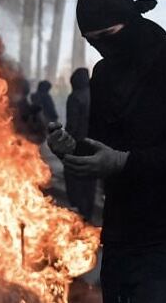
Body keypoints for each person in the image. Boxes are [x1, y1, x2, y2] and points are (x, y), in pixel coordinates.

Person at [47, 0, 166, 303]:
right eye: (92, 42)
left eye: (107, 37)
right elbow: (102, 146)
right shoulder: (104, 74)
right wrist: (73, 149)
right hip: (122, 228)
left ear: (131, 21)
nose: (102, 49)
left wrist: (126, 162)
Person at [62, 67, 97, 222]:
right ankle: (87, 214)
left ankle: (79, 213)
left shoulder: (75, 97)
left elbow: (72, 124)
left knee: (75, 178)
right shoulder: (94, 95)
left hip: (78, 145)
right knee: (90, 182)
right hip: (94, 145)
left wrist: (64, 142)